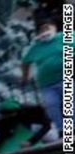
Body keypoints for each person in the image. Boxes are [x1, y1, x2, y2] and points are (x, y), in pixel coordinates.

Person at [21, 13, 65, 141]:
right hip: (46, 83)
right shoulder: (35, 47)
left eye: (47, 27)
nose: (45, 31)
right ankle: (61, 129)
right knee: (51, 105)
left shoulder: (66, 37)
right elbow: (25, 62)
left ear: (54, 27)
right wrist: (25, 77)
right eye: (41, 29)